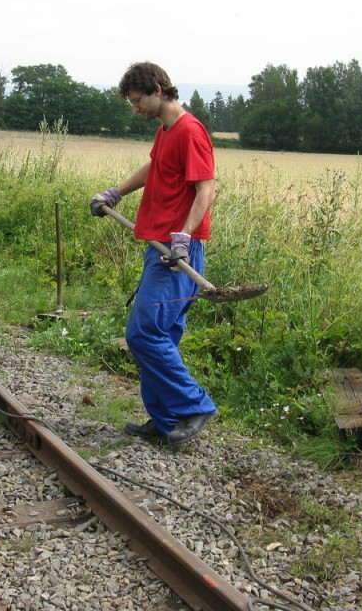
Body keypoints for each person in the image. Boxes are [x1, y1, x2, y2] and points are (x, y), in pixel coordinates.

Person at [90, 62, 217, 446]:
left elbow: (206, 190)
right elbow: (154, 167)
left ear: (158, 89)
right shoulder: (167, 131)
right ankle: (165, 420)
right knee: (162, 335)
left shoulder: (191, 132)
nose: (135, 109)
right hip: (160, 246)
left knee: (143, 332)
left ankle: (195, 405)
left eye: (137, 100)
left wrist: (184, 237)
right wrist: (117, 192)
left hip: (177, 251)